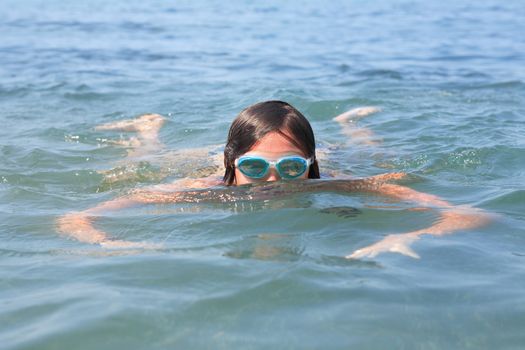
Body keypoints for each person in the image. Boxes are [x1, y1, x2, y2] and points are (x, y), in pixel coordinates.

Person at [57, 101, 489, 259]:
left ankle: (351, 123)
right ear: (234, 162)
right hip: (203, 164)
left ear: (308, 166)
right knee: (150, 160)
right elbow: (77, 219)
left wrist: (408, 237)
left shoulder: (336, 183)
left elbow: (470, 216)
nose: (273, 183)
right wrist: (113, 245)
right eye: (256, 168)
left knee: (373, 155)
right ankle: (148, 129)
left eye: (291, 169)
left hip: (336, 160)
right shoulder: (201, 190)